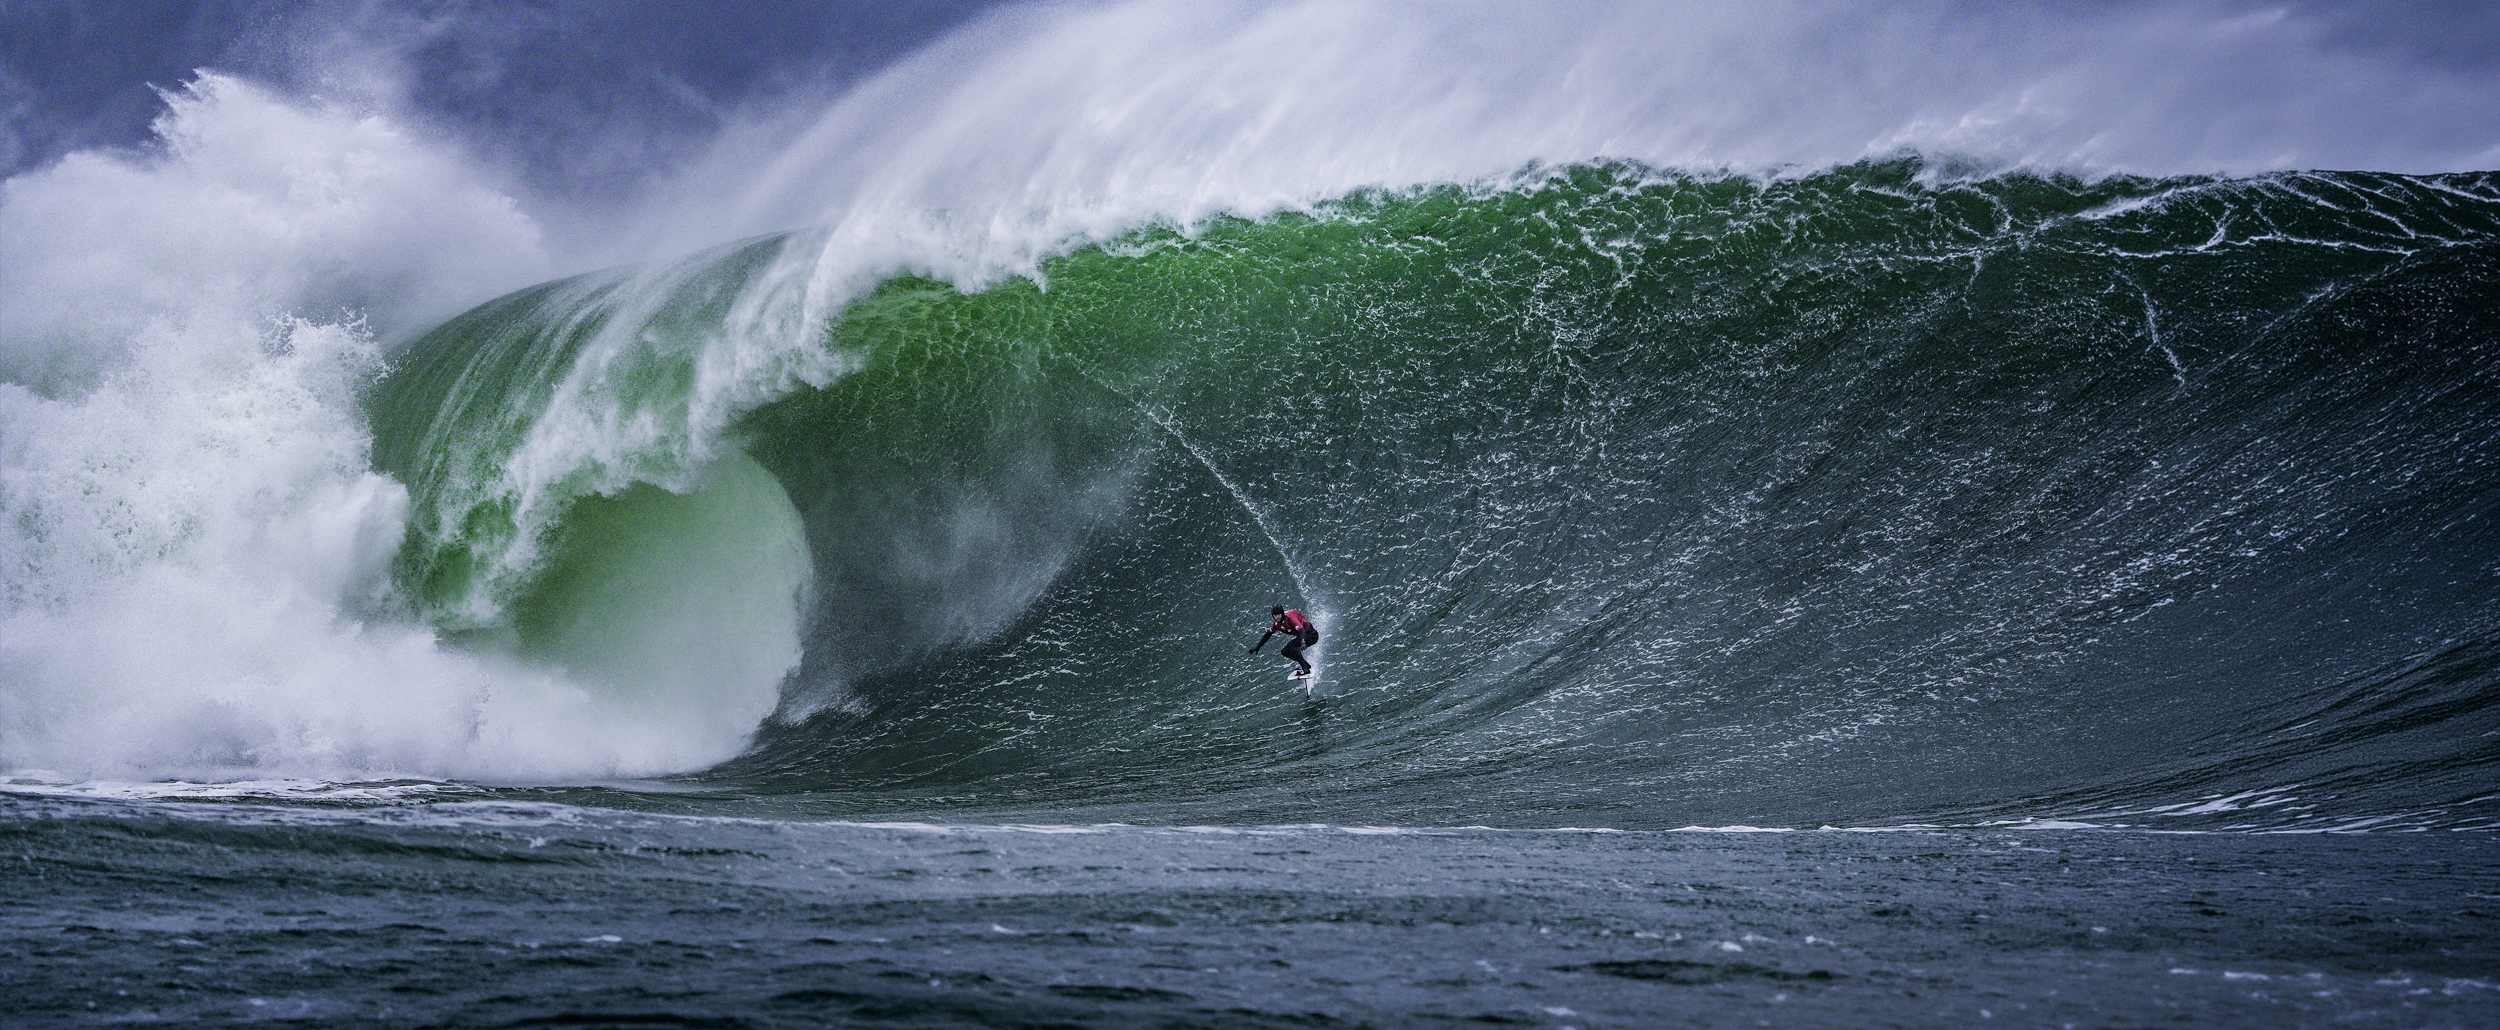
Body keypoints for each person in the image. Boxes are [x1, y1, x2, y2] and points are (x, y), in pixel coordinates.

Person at [1250, 605, 1318, 678]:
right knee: (1284, 651)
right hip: (1302, 636)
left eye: (1278, 614)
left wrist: (1303, 642)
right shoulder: (1276, 624)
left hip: (1311, 635)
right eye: (1275, 615)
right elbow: (1268, 634)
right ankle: (1305, 665)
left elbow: (1302, 630)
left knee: (1292, 647)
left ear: (1282, 613)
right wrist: (1258, 647)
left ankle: (1305, 668)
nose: (1277, 617)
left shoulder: (1290, 618)